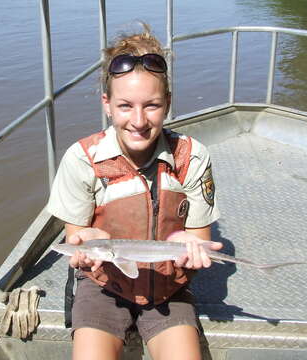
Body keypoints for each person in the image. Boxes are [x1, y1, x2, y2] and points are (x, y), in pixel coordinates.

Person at [47, 24, 222, 360]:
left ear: (168, 103)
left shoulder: (192, 156)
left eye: (152, 105)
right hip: (103, 288)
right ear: (107, 104)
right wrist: (83, 241)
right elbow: (77, 239)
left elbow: (198, 237)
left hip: (168, 287)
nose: (139, 120)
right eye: (125, 105)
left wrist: (189, 248)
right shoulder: (82, 159)